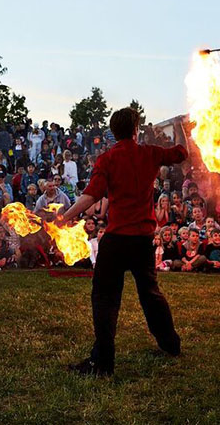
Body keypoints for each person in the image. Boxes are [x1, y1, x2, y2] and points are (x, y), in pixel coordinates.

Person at [60, 107, 188, 376]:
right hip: (142, 240)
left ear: (113, 131)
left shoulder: (107, 159)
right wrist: (179, 127)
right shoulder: (150, 153)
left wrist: (66, 216)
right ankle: (170, 344)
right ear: (136, 128)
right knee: (150, 294)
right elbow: (181, 152)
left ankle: (103, 361)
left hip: (117, 240)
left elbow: (91, 196)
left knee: (105, 299)